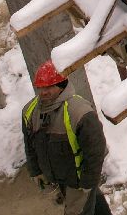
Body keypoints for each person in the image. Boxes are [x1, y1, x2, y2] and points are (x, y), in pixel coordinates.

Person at [23, 60, 111, 215]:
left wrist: (87, 183)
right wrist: (36, 170)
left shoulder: (80, 112)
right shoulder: (30, 111)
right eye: (41, 87)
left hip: (77, 182)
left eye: (49, 87)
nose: (43, 92)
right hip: (59, 177)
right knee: (95, 205)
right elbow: (30, 144)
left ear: (61, 86)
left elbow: (96, 151)